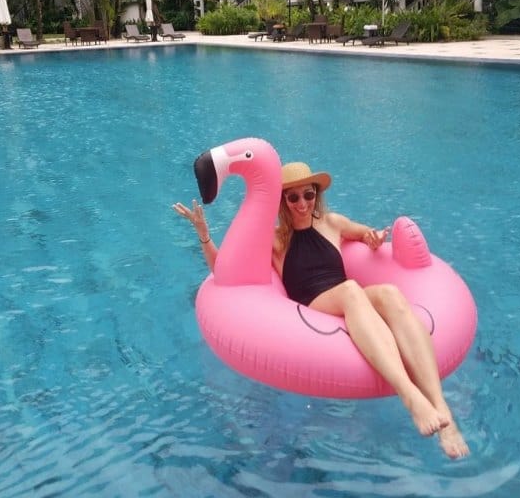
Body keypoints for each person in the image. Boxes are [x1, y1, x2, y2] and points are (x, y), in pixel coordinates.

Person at [173, 161, 469, 459]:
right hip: (313, 306)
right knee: (352, 291)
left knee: (391, 294)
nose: (303, 203)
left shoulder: (333, 223)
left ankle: (444, 413)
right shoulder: (274, 240)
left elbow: (367, 234)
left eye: (309, 194)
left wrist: (373, 238)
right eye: (293, 197)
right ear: (282, 201)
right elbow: (225, 269)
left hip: (349, 300)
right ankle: (411, 396)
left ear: (316, 195)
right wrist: (204, 235)